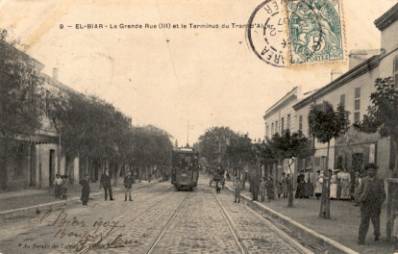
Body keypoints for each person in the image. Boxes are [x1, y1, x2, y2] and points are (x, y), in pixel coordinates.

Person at [357, 163, 386, 245]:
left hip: (375, 205)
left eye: (373, 170)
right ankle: (361, 239)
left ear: (375, 171)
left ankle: (377, 234)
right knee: (364, 222)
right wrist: (359, 199)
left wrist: (380, 202)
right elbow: (359, 191)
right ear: (366, 171)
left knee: (376, 222)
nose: (371, 172)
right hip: (365, 204)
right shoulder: (363, 180)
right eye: (369, 170)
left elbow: (383, 194)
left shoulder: (380, 180)